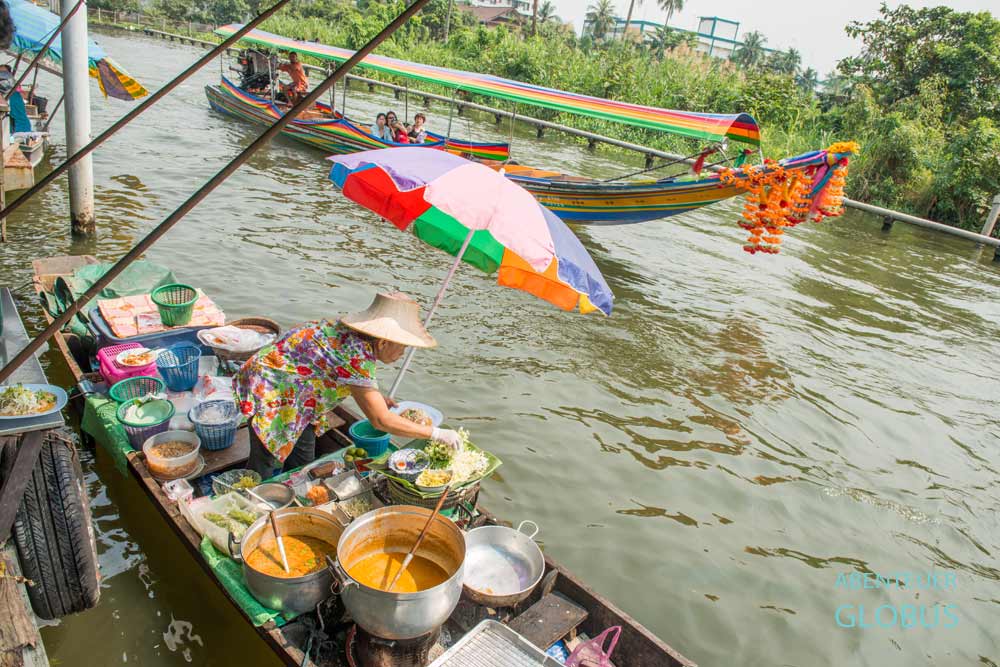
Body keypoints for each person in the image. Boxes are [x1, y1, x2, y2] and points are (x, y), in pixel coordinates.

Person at [236, 292, 464, 477]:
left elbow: (338, 370)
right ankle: (251, 500)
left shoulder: (355, 338)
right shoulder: (357, 356)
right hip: (270, 386)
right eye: (402, 347)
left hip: (300, 395)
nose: (402, 353)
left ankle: (295, 482)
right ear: (383, 342)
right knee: (265, 459)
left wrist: (374, 396)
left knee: (303, 457)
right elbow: (381, 420)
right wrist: (436, 433)